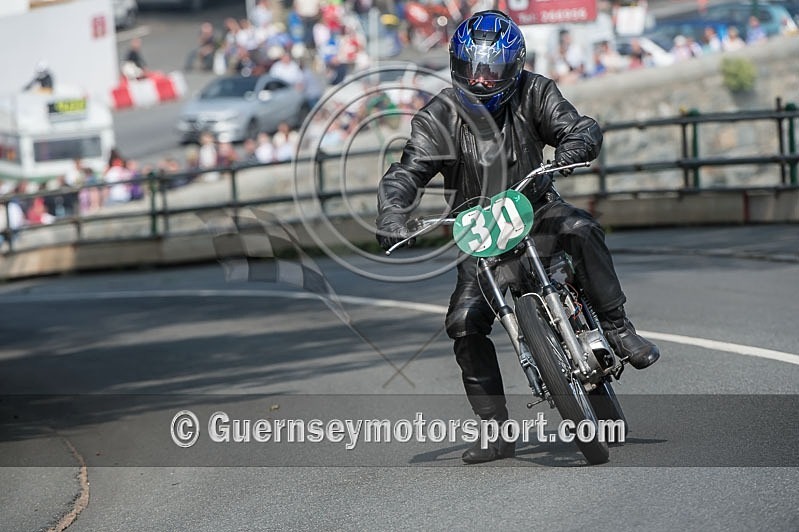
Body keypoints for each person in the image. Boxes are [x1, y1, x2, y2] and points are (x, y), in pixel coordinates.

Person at [375, 11, 661, 464]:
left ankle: (618, 328)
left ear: (514, 66)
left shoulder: (535, 91)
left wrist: (573, 146)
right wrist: (393, 211)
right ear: (456, 65)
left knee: (582, 228)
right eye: (473, 68)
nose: (483, 80)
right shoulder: (438, 117)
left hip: (537, 209)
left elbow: (578, 126)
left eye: (493, 69)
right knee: (463, 322)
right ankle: (494, 430)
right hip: (480, 232)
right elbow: (406, 173)